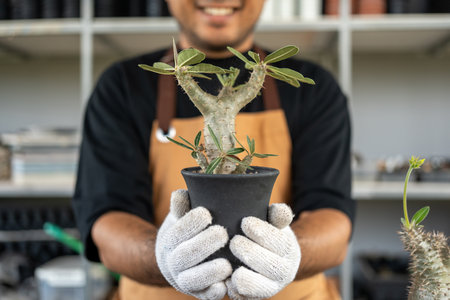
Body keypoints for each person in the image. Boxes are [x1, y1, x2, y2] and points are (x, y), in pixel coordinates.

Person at [72, 0, 355, 299]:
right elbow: (106, 223)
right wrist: (163, 257)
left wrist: (290, 253)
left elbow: (334, 222)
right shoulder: (121, 87)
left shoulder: (315, 88)